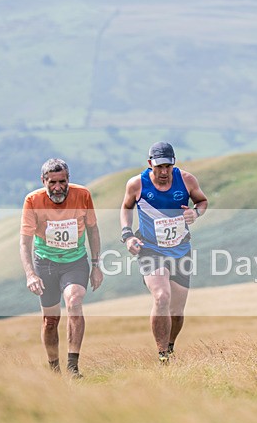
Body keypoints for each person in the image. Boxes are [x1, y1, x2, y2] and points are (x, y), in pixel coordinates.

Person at [120, 142, 208, 364]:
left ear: (173, 164)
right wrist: (127, 235)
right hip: (150, 249)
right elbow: (126, 207)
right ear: (150, 164)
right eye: (158, 167)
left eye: (167, 166)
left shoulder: (186, 180)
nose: (163, 172)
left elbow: (202, 201)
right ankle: (162, 356)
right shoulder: (137, 184)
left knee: (177, 312)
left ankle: (170, 347)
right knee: (162, 297)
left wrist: (195, 213)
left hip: (180, 250)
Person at [20, 158, 103, 378]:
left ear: (69, 179)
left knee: (74, 301)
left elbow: (93, 230)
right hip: (45, 263)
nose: (58, 187)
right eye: (52, 182)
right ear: (43, 180)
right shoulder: (32, 200)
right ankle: (54, 368)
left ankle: (73, 367)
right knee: (50, 321)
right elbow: (25, 241)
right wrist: (30, 274)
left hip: (75, 261)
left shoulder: (82, 195)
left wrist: (96, 265)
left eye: (63, 181)